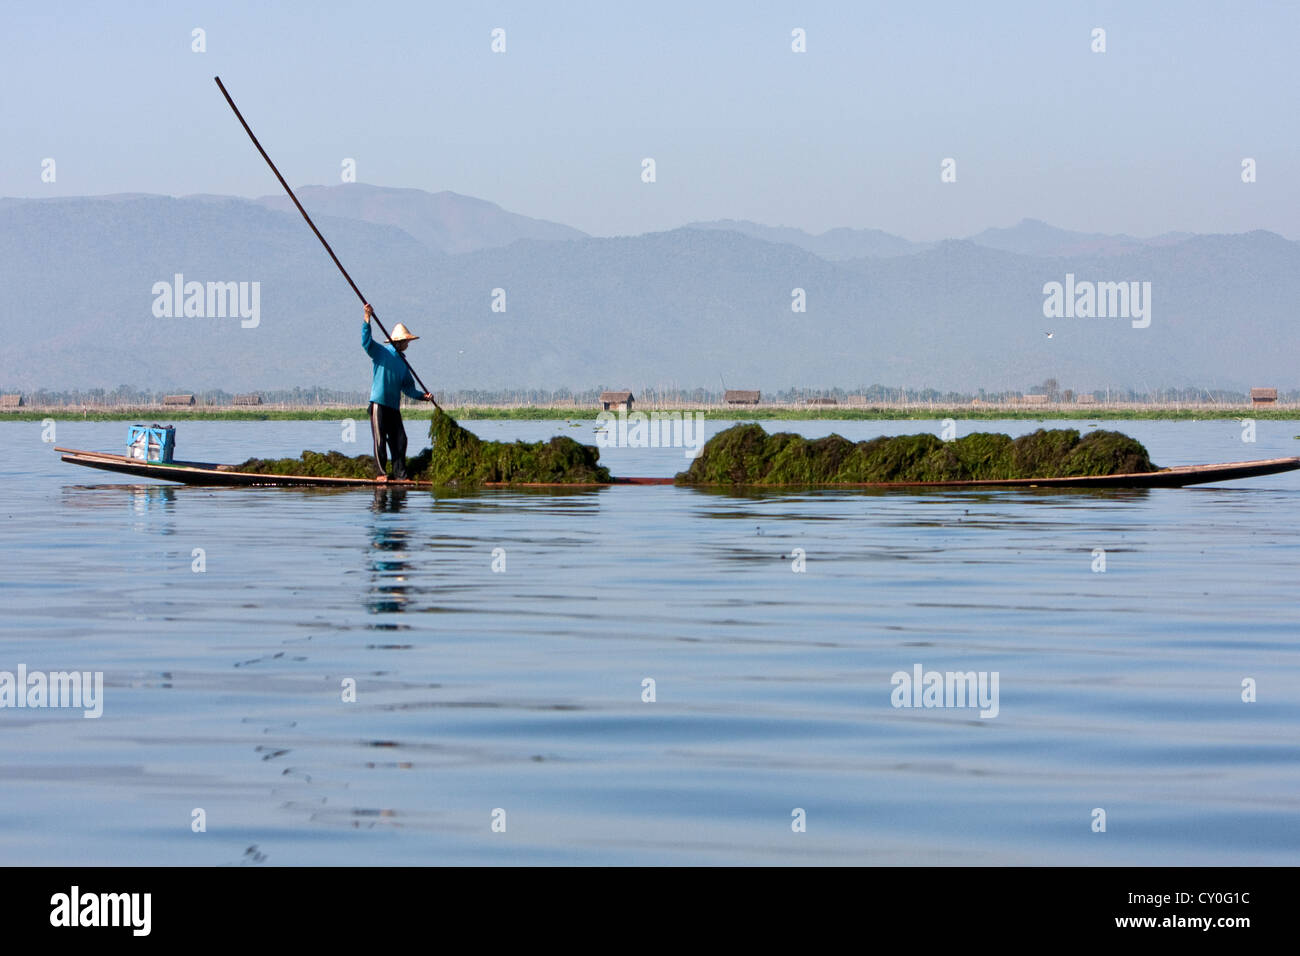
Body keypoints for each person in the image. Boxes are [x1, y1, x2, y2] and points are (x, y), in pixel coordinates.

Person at [362, 303, 432, 481]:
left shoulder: (403, 363)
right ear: (400, 341)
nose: (408, 344)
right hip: (379, 403)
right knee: (380, 439)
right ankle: (381, 474)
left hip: (393, 406)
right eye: (407, 341)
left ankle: (400, 474)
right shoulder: (381, 352)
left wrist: (423, 397)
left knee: (400, 440)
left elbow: (408, 387)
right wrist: (367, 318)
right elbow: (366, 342)